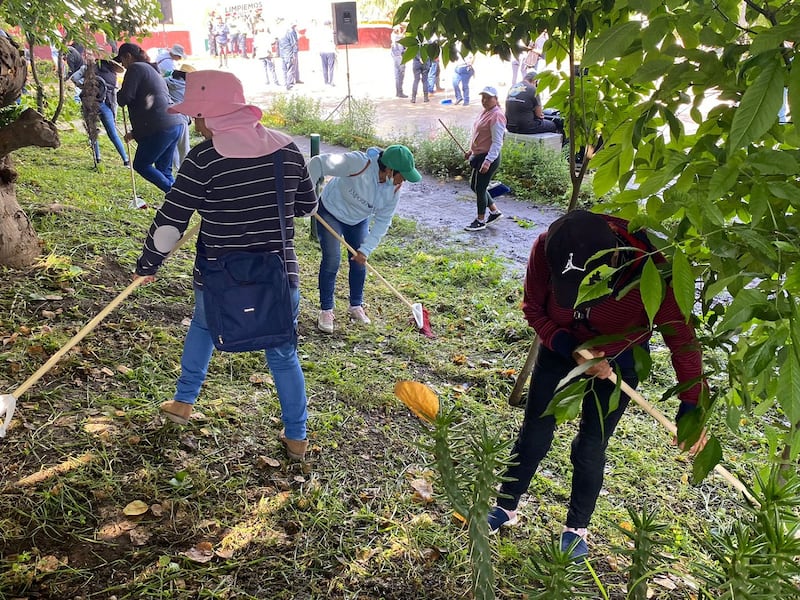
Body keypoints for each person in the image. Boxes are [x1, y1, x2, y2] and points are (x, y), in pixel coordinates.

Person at [487, 209, 706, 560]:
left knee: (592, 444)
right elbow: (533, 308)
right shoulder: (549, 246)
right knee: (535, 431)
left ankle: (576, 529)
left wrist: (691, 407)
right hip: (561, 347)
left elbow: (681, 341)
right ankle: (506, 506)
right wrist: (570, 350)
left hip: (620, 356)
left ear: (614, 261)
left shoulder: (649, 272)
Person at [133, 69, 318, 461]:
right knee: (283, 352)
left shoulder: (204, 158)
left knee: (202, 325)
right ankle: (297, 438)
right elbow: (306, 207)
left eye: (197, 114)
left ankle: (184, 402)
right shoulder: (288, 149)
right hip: (279, 274)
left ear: (211, 114)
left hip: (219, 276)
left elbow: (172, 219)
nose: (194, 122)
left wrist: (149, 263)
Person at [307, 145, 422, 333]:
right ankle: (326, 310)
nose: (404, 181)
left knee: (360, 262)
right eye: (403, 175)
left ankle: (355, 306)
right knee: (332, 260)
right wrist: (308, 196)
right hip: (330, 212)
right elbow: (317, 163)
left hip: (358, 220)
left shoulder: (394, 190)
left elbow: (383, 221)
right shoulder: (358, 163)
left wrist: (365, 249)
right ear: (390, 169)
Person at [114, 42, 185, 193]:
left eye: (123, 61)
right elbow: (148, 103)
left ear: (128, 56)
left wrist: (118, 92)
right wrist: (134, 134)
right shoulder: (152, 69)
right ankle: (175, 202)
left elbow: (125, 98)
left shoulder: (135, 68)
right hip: (174, 124)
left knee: (141, 165)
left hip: (160, 127)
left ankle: (176, 195)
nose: (123, 65)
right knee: (164, 170)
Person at [70, 50, 129, 167]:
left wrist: (83, 86)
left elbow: (74, 78)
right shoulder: (113, 75)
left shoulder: (88, 68)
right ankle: (125, 160)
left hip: (89, 102)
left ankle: (97, 158)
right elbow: (114, 97)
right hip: (105, 105)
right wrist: (114, 115)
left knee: (92, 132)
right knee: (113, 134)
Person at [464, 86, 506, 231]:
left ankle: (480, 220)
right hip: (479, 155)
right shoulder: (485, 112)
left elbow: (497, 142)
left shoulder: (497, 116)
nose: (485, 100)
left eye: (488, 97)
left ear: (496, 99)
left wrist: (488, 161)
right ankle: (494, 211)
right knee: (474, 186)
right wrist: (471, 151)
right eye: (483, 97)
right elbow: (480, 135)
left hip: (489, 157)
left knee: (480, 188)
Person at [279, 21, 299, 90]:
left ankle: (285, 83)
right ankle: (289, 84)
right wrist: (294, 54)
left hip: (283, 55)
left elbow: (279, 46)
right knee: (290, 69)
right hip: (289, 54)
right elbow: (294, 44)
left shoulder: (280, 35)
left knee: (284, 70)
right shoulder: (289, 33)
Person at [317, 20, 337, 86]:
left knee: (324, 67)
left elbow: (318, 43)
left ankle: (326, 81)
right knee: (331, 67)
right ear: (329, 24)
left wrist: (319, 51)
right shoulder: (332, 32)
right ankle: (331, 81)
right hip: (330, 51)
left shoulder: (320, 33)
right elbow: (333, 42)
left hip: (323, 51)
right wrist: (335, 51)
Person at [390, 25, 407, 98]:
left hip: (395, 57)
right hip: (400, 57)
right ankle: (400, 92)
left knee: (397, 75)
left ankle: (398, 91)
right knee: (401, 75)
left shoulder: (393, 37)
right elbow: (402, 50)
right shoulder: (399, 39)